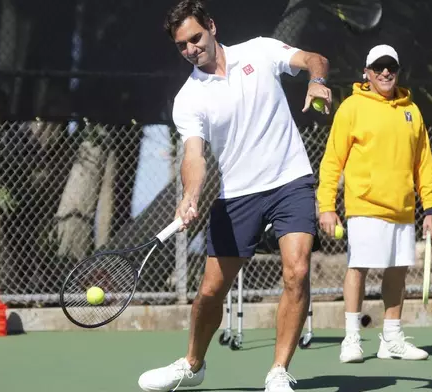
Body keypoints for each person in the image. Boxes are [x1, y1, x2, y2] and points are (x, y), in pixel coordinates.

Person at [137, 1, 332, 391]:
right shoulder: (188, 99)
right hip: (239, 196)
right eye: (182, 45)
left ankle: (278, 371)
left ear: (211, 26)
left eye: (196, 37)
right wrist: (190, 193)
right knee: (210, 292)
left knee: (297, 271)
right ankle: (193, 365)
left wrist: (316, 79)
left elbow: (314, 58)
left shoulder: (259, 51)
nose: (192, 48)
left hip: (290, 179)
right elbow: (194, 155)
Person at [317, 44, 432, 363]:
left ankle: (392, 339)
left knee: (398, 271)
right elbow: (332, 161)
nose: (386, 72)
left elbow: (423, 163)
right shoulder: (352, 108)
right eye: (379, 67)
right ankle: (352, 339)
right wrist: (326, 205)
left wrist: (431, 208)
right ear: (366, 73)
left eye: (392, 67)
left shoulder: (411, 111)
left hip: (403, 209)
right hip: (364, 206)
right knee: (358, 267)